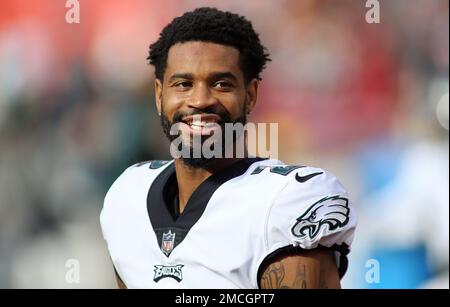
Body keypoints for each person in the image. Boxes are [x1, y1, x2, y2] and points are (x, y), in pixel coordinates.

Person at [100, 7, 356, 289]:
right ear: (160, 95)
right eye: (183, 84)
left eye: (221, 84)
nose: (200, 100)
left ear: (250, 95)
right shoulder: (127, 197)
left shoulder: (283, 202)